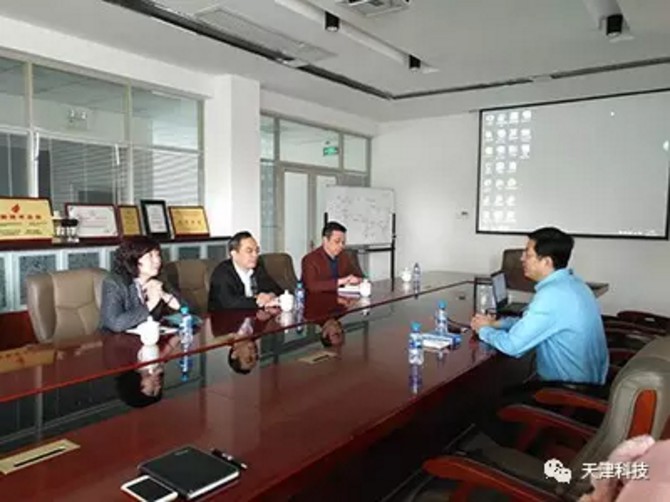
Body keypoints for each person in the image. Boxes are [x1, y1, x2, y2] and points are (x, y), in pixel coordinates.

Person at [471, 226, 608, 385]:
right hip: (590, 381)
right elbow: (532, 322)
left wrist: (483, 330)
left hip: (565, 391)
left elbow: (512, 346)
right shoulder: (573, 283)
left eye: (528, 254)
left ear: (546, 262)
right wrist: (497, 324)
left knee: (497, 392)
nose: (522, 258)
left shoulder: (552, 296)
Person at [100, 237, 181, 332]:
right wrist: (151, 303)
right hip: (116, 338)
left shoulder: (159, 278)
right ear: (133, 260)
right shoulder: (114, 283)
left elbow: (187, 310)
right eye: (150, 256)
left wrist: (164, 295)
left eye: (158, 255)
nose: (157, 261)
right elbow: (115, 324)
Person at [208, 231, 283, 310]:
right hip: (226, 317)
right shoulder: (222, 273)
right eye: (249, 251)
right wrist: (257, 301)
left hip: (253, 315)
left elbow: (277, 290)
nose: (255, 255)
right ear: (234, 254)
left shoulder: (257, 268)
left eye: (257, 251)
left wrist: (270, 296)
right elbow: (230, 304)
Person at [301, 221, 363, 293]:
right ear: (325, 240)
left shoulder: (344, 256)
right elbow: (312, 286)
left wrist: (358, 280)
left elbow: (358, 275)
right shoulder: (310, 259)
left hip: (340, 297)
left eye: (343, 242)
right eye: (337, 241)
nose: (341, 246)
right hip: (317, 298)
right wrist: (340, 281)